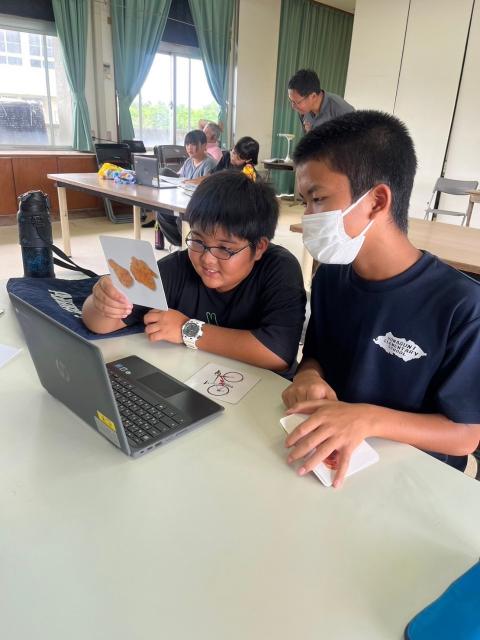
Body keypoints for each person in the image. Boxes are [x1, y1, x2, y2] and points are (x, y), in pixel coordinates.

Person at [281, 110, 480, 487]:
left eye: (317, 199)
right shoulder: (330, 276)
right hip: (333, 459)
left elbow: (465, 435)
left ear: (376, 201)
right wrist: (308, 375)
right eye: (304, 201)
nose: (307, 216)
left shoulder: (462, 306)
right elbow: (316, 354)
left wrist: (366, 418)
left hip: (412, 476)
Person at [83, 171, 306, 375]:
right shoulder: (178, 268)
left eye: (225, 248)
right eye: (198, 241)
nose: (207, 258)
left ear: (259, 248)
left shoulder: (279, 269)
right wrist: (102, 300)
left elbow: (277, 354)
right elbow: (101, 325)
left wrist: (186, 329)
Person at [156, 129, 217, 246]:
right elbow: (179, 177)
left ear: (204, 145)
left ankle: (189, 245)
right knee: (162, 214)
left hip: (199, 205)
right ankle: (179, 244)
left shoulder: (209, 163)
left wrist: (188, 182)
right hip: (183, 200)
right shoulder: (189, 161)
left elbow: (207, 183)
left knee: (182, 218)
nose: (189, 148)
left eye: (193, 144)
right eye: (187, 144)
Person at [287, 68, 354, 134]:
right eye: (291, 100)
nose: (293, 106)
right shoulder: (303, 111)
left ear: (313, 96)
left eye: (297, 102)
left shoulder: (341, 110)